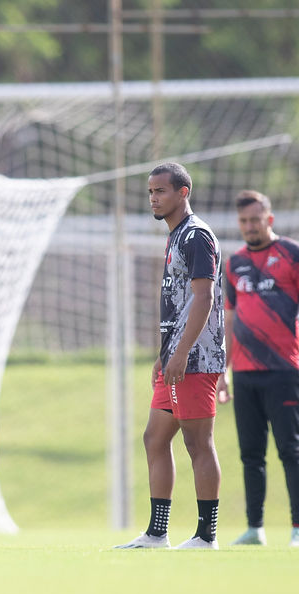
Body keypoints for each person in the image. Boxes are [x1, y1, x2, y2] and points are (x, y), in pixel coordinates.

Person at [116, 162, 225, 550]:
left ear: (183, 192)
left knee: (198, 444)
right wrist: (165, 354)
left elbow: (204, 297)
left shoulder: (196, 235)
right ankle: (157, 533)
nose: (153, 198)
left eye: (160, 191)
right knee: (154, 438)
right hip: (175, 360)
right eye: (150, 192)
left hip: (194, 362)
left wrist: (181, 353)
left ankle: (206, 536)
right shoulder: (176, 235)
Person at [217, 190, 299, 548]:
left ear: (269, 219)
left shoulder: (294, 254)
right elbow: (230, 320)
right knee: (250, 454)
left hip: (284, 372)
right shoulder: (234, 263)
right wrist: (224, 370)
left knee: (290, 450)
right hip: (245, 375)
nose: (249, 227)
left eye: (254, 220)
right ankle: (255, 528)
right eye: (243, 221)